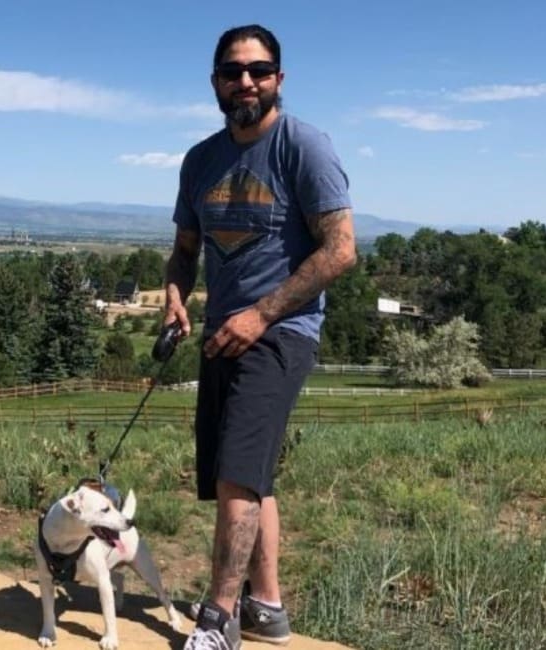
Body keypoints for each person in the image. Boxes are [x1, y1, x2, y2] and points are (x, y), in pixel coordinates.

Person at [164, 23, 357, 650]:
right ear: (215, 81)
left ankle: (219, 620)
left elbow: (340, 251)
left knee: (238, 475)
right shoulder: (200, 160)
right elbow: (185, 248)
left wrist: (263, 314)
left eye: (259, 69)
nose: (246, 81)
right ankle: (266, 607)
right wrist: (175, 293)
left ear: (280, 77)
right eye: (232, 71)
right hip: (223, 329)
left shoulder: (304, 147)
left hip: (282, 329)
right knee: (243, 471)